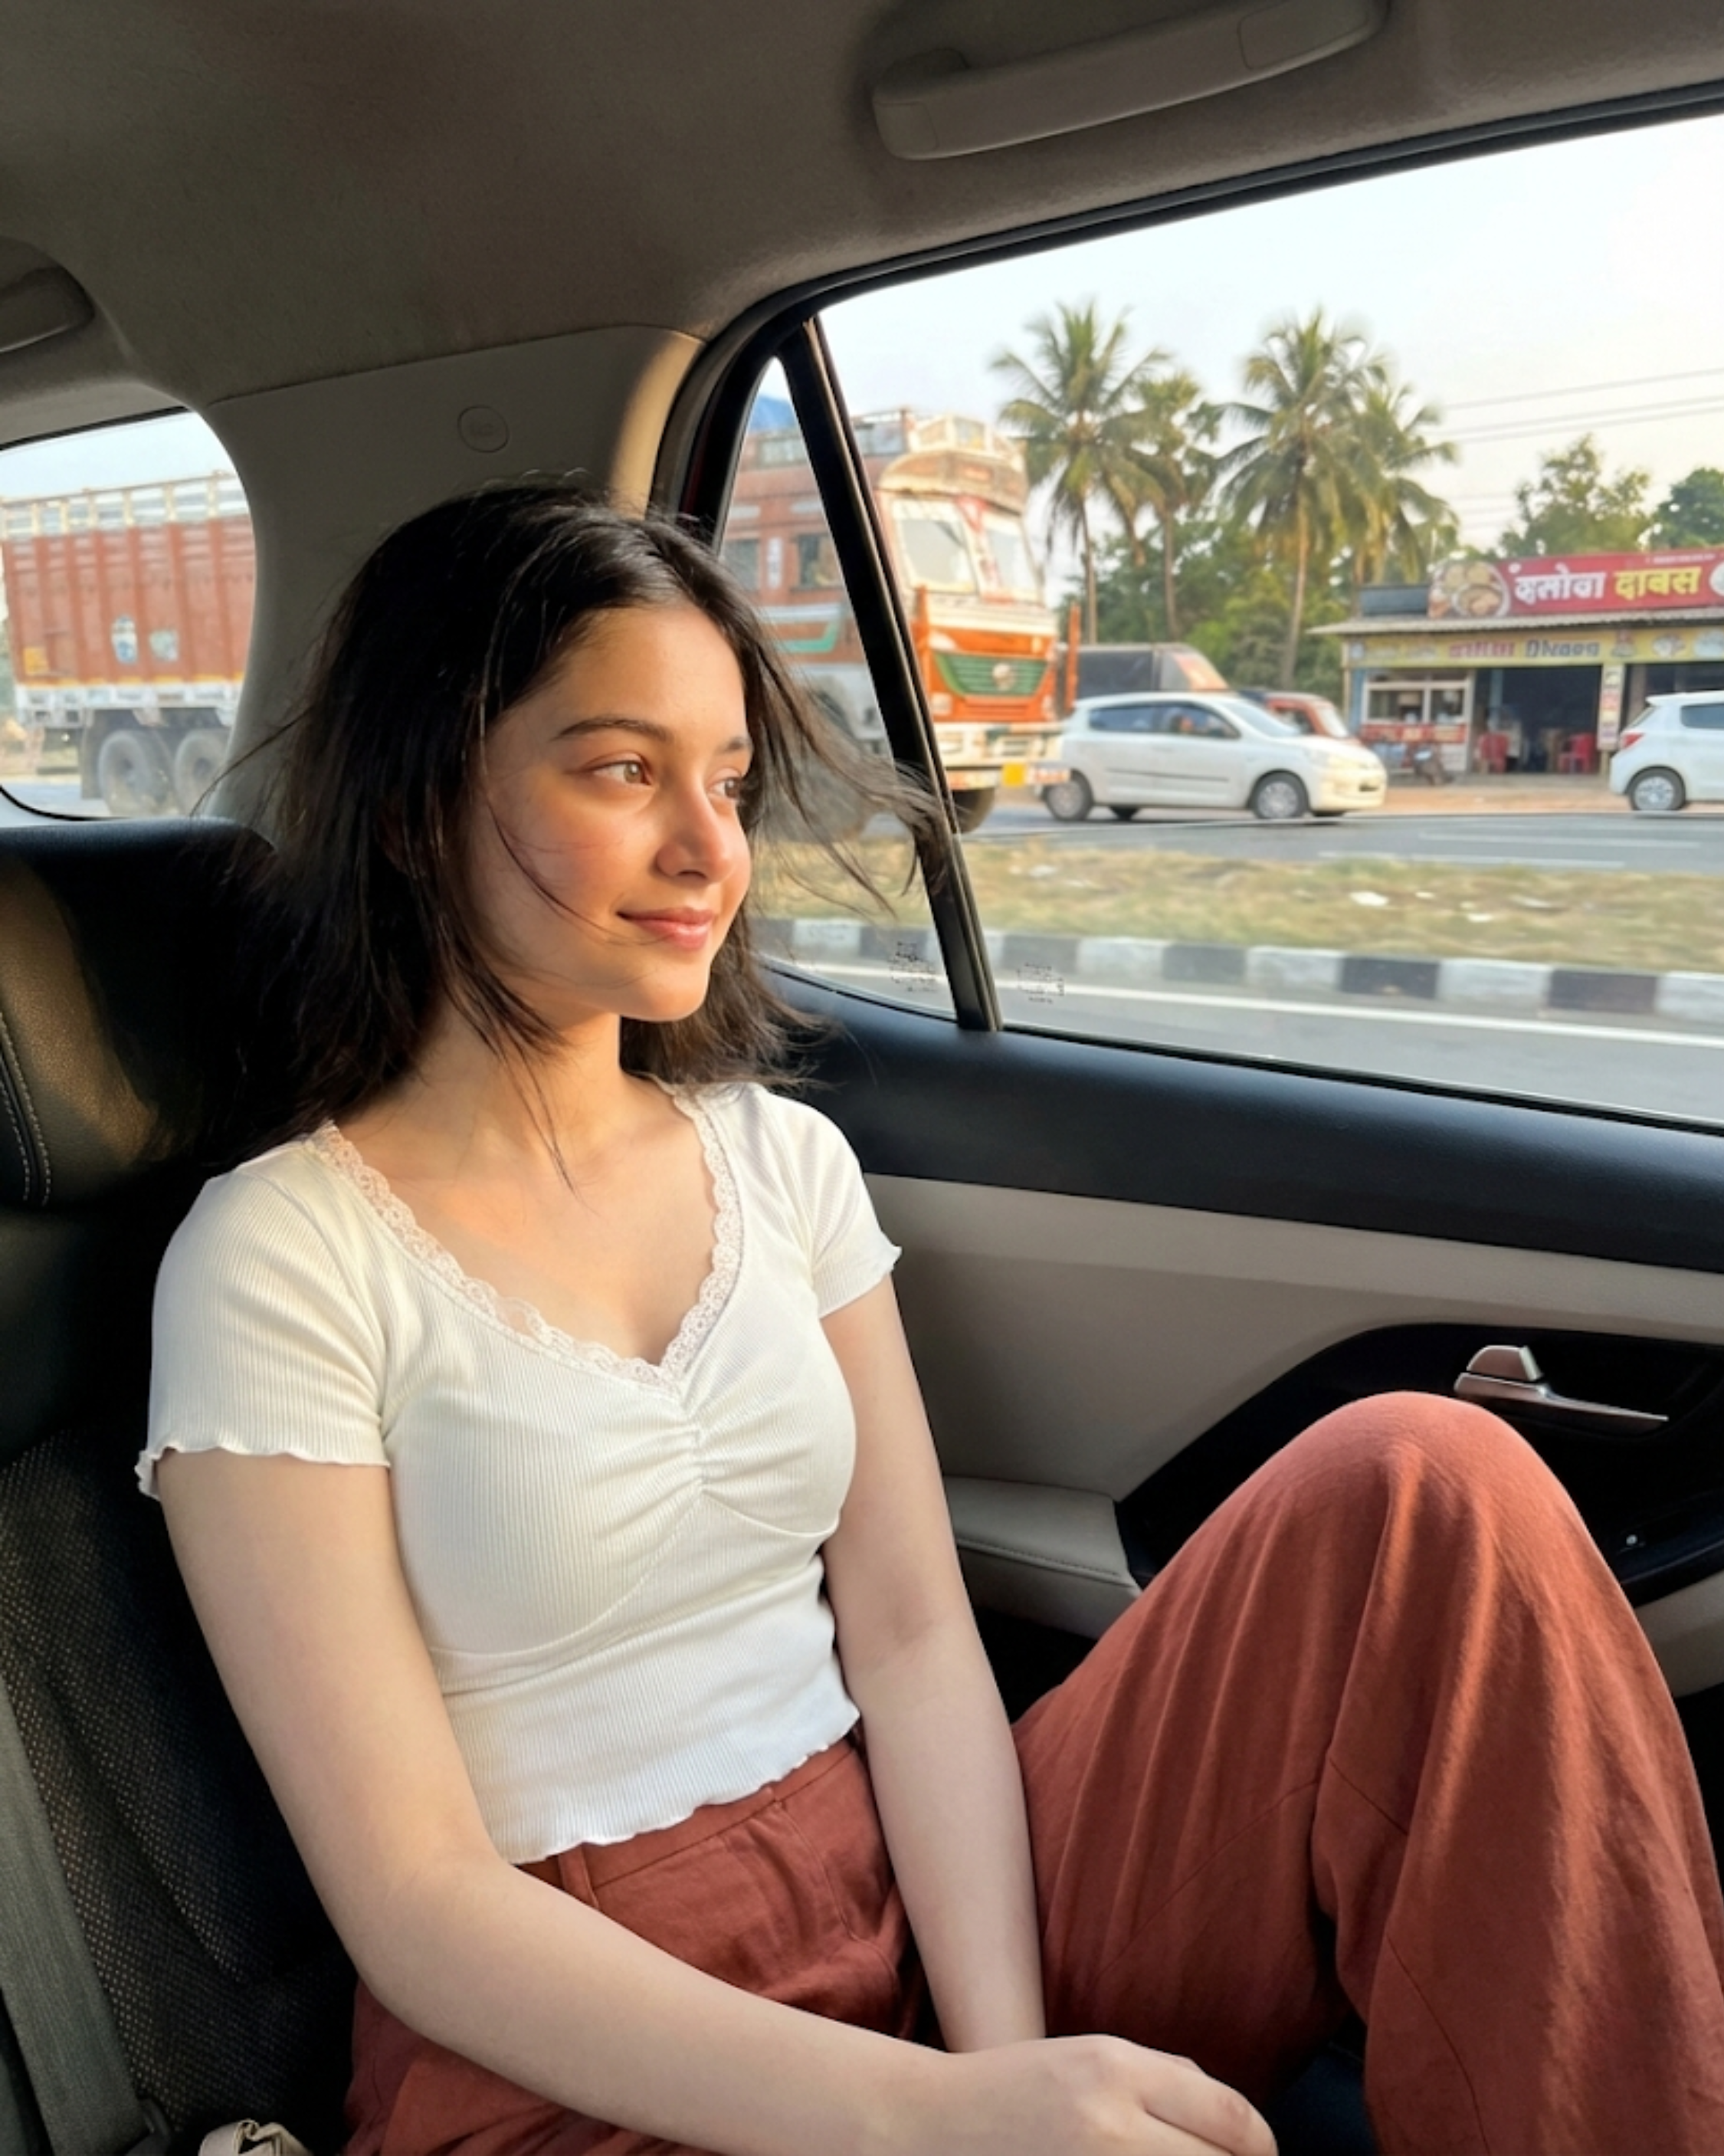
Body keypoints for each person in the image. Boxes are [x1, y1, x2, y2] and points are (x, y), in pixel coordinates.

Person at [143, 483, 1724, 2156]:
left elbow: (907, 1639)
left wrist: (1002, 2056)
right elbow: (418, 1902)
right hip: (575, 2034)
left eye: (732, 782)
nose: (710, 848)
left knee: (1428, 1485)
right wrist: (938, 2116)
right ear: (414, 806)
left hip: (903, 1876)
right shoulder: (281, 1257)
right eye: (623, 770)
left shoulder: (783, 1161)